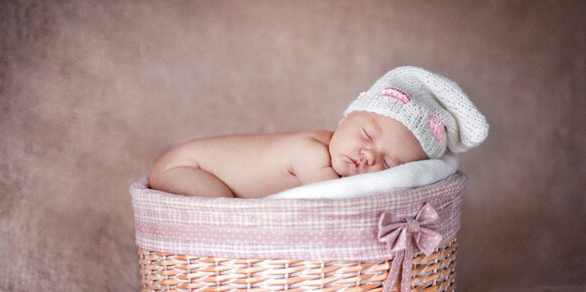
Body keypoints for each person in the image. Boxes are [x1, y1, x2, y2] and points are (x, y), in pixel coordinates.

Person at [148, 66, 488, 198]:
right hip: (187, 167)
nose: (369, 156)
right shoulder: (313, 154)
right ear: (344, 120)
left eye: (388, 162)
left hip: (191, 162)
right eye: (368, 136)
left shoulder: (334, 154)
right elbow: (330, 201)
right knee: (220, 210)